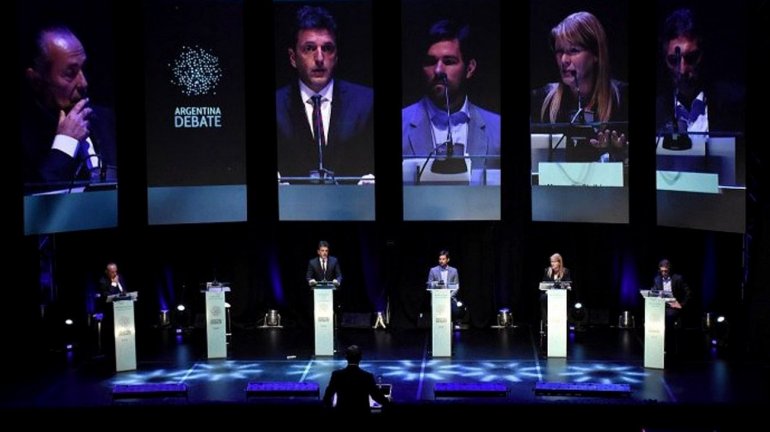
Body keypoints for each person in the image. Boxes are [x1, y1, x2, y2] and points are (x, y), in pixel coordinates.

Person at [276, 5, 374, 181]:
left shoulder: (366, 102)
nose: (320, 58)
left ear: (336, 57)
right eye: (309, 48)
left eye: (327, 48)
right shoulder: (277, 106)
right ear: (293, 58)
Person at [402, 19, 501, 183]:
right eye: (431, 62)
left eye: (448, 62)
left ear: (470, 68)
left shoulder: (498, 129)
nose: (438, 70)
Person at [22, 26, 117, 190]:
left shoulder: (107, 120)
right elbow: (38, 200)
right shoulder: (26, 137)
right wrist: (65, 143)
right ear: (36, 80)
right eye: (70, 73)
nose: (83, 83)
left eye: (83, 69)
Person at [530, 11, 628, 163]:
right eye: (559, 51)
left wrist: (621, 156)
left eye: (573, 51)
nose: (564, 60)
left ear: (596, 54)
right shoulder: (541, 100)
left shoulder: (623, 99)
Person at [655, 8, 745, 135]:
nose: (682, 70)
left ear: (704, 54)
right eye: (673, 60)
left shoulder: (734, 104)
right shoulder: (658, 111)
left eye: (691, 58)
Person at [322, 345, 390, 415]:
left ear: (346, 357)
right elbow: (376, 396)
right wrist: (388, 404)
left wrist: (331, 411)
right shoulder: (367, 376)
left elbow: (327, 397)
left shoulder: (337, 375)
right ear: (360, 358)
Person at [652, 259, 691, 329]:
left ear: (669, 269)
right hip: (661, 306)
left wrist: (681, 304)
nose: (663, 273)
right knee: (652, 314)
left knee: (669, 316)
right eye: (662, 271)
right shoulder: (657, 279)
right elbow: (654, 291)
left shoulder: (678, 278)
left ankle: (669, 334)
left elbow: (688, 293)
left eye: (665, 271)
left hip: (673, 306)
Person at [427, 250, 463, 325]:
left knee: (456, 311)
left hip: (450, 297)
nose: (441, 261)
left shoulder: (454, 271)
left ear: (448, 260)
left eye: (443, 259)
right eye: (440, 259)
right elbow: (429, 285)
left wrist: (448, 296)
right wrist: (439, 294)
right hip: (437, 298)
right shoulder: (433, 270)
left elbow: (456, 287)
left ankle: (452, 325)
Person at [540, 253, 571, 324]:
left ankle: (564, 320)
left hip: (561, 294)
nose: (552, 264)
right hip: (549, 294)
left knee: (567, 297)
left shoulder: (566, 271)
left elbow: (568, 284)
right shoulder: (547, 270)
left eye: (554, 262)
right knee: (543, 297)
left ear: (559, 262)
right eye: (551, 262)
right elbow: (544, 283)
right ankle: (546, 321)